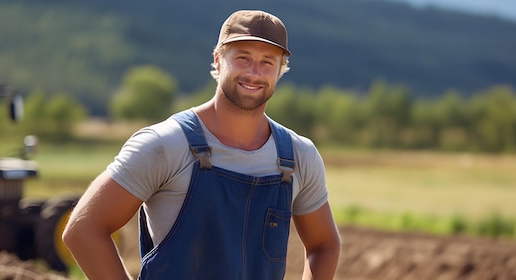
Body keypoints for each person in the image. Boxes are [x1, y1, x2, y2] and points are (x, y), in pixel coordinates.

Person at [63, 9, 341, 280]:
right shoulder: (165, 145)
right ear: (218, 60)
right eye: (242, 58)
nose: (254, 72)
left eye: (267, 61)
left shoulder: (296, 157)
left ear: (281, 70)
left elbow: (324, 245)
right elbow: (83, 229)